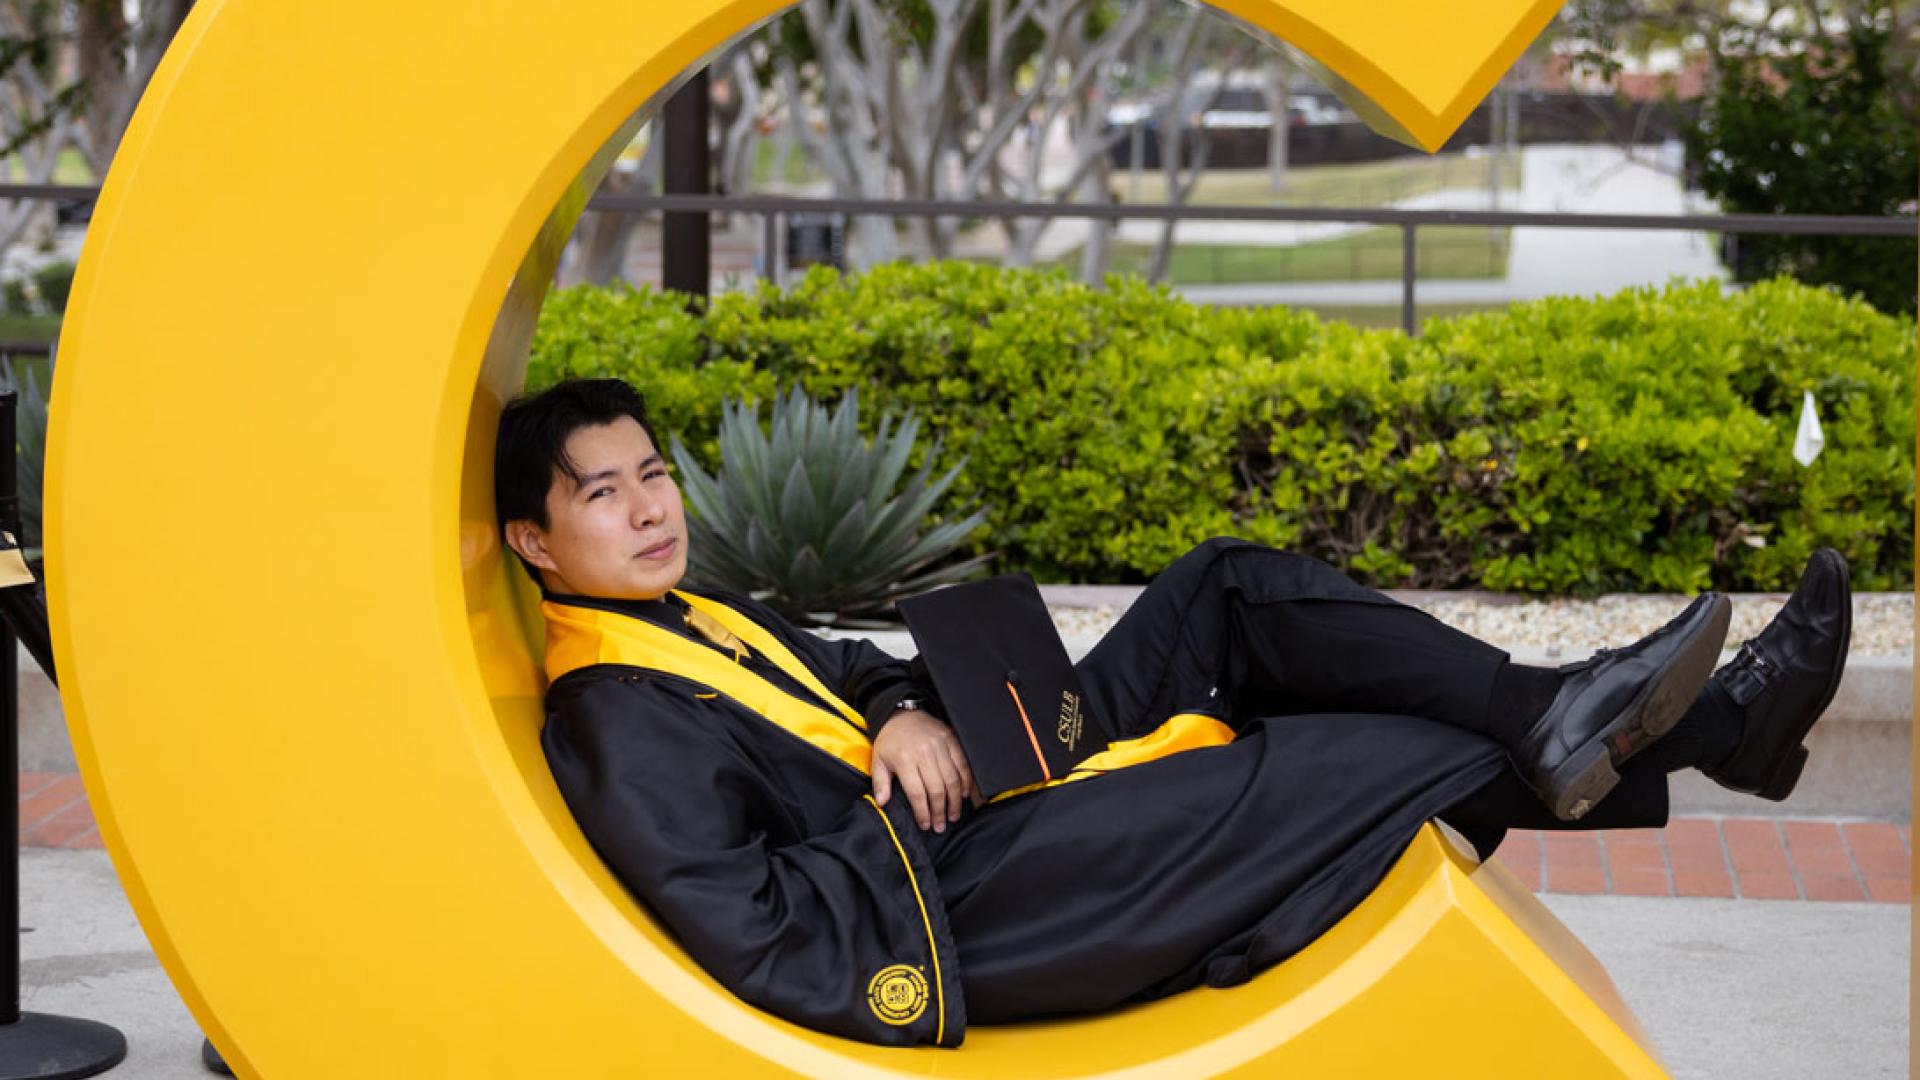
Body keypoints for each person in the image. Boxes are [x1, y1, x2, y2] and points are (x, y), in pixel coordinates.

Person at [495, 379, 1852, 1049]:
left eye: (653, 472)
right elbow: (757, 925)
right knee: (1357, 755)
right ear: (536, 543)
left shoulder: (690, 613)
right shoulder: (614, 714)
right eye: (601, 494)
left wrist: (910, 710)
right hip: (969, 890)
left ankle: (1578, 712)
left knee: (1229, 588)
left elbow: (854, 665)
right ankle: (1715, 731)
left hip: (985, 781)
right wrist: (894, 798)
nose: (650, 507)